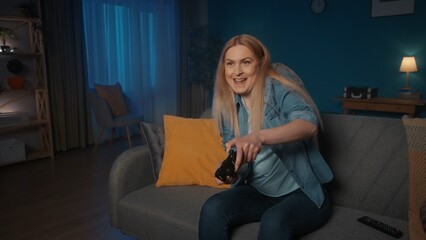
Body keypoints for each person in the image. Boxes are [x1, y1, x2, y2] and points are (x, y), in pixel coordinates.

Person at [198, 34, 333, 240]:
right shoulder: (227, 109)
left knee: (274, 221)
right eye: (230, 64)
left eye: (246, 62)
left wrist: (258, 137)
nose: (237, 72)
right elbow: (239, 155)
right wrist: (233, 169)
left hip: (303, 194)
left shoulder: (277, 89)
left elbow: (308, 124)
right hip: (259, 193)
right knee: (212, 208)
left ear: (260, 64)